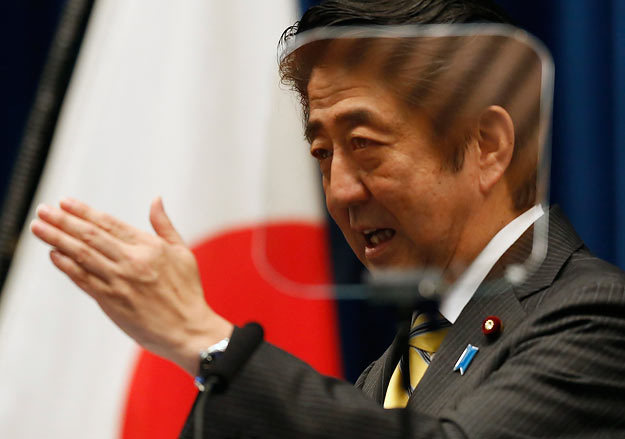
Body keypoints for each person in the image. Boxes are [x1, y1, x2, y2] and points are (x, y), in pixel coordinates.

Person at [30, 0, 625, 437]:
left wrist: (206, 341)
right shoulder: (393, 366)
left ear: (486, 145)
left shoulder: (596, 314)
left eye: (364, 143)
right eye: (322, 154)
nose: (339, 190)